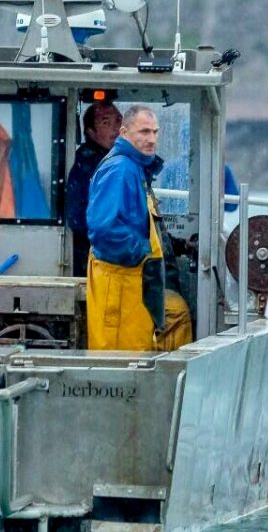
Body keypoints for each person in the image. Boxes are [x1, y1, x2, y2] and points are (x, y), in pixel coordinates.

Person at [86, 105, 192, 351]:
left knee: (139, 351)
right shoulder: (120, 170)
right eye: (144, 132)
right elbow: (103, 230)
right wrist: (143, 252)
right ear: (124, 132)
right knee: (119, 363)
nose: (151, 139)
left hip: (134, 283)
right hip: (120, 282)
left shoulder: (134, 169)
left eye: (155, 132)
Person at [66, 102, 122, 276]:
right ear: (91, 132)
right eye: (106, 123)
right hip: (96, 264)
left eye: (119, 121)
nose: (117, 128)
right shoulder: (87, 167)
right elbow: (77, 218)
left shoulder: (122, 162)